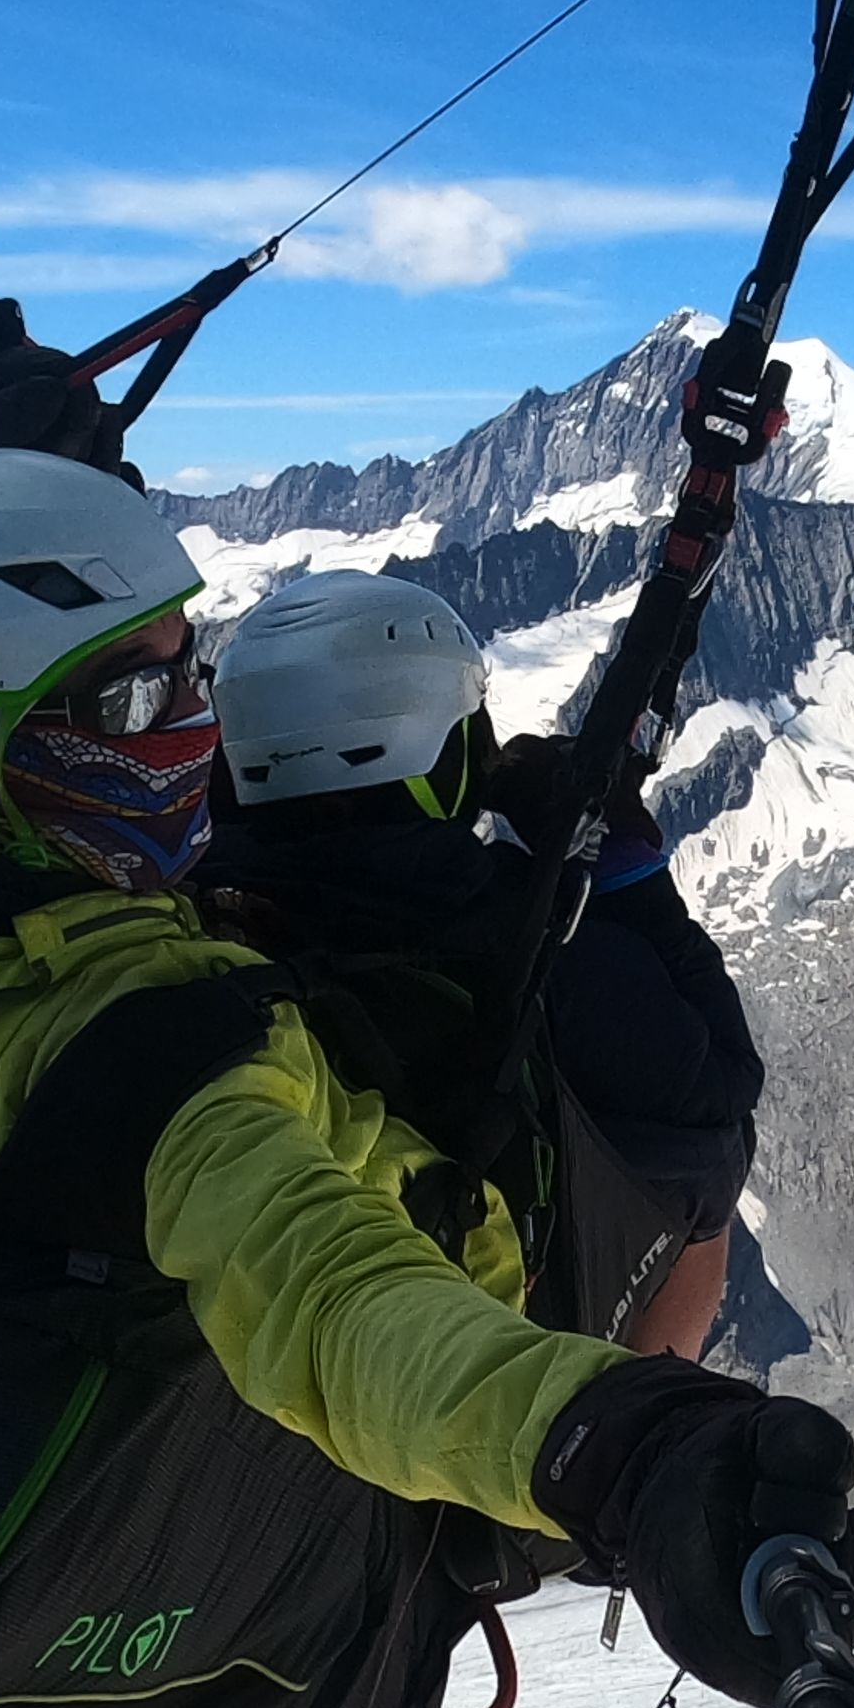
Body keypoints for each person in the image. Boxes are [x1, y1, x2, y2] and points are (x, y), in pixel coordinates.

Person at [0, 432, 854, 1708]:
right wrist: (613, 1447)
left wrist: (8, 459)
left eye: (188, 665)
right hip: (472, 1330)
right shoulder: (152, 1069)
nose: (186, 723)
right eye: (128, 691)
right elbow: (338, 1298)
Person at [191, 569, 760, 1364]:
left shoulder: (192, 911)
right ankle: (640, 1394)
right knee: (711, 1157)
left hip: (274, 1306)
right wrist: (627, 871)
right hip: (480, 1306)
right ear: (442, 755)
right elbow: (722, 1086)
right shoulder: (524, 936)